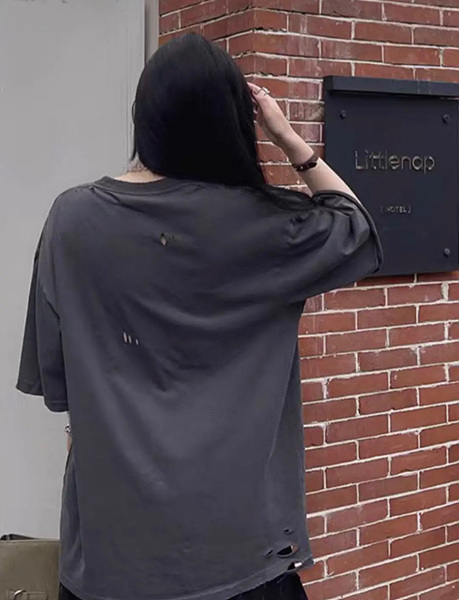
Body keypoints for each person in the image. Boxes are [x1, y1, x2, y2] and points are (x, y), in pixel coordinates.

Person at [16, 33, 382, 600]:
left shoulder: (72, 221)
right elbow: (357, 227)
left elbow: (57, 382)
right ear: (234, 124)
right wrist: (290, 139)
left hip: (113, 560)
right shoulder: (269, 228)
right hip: (242, 556)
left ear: (143, 119)